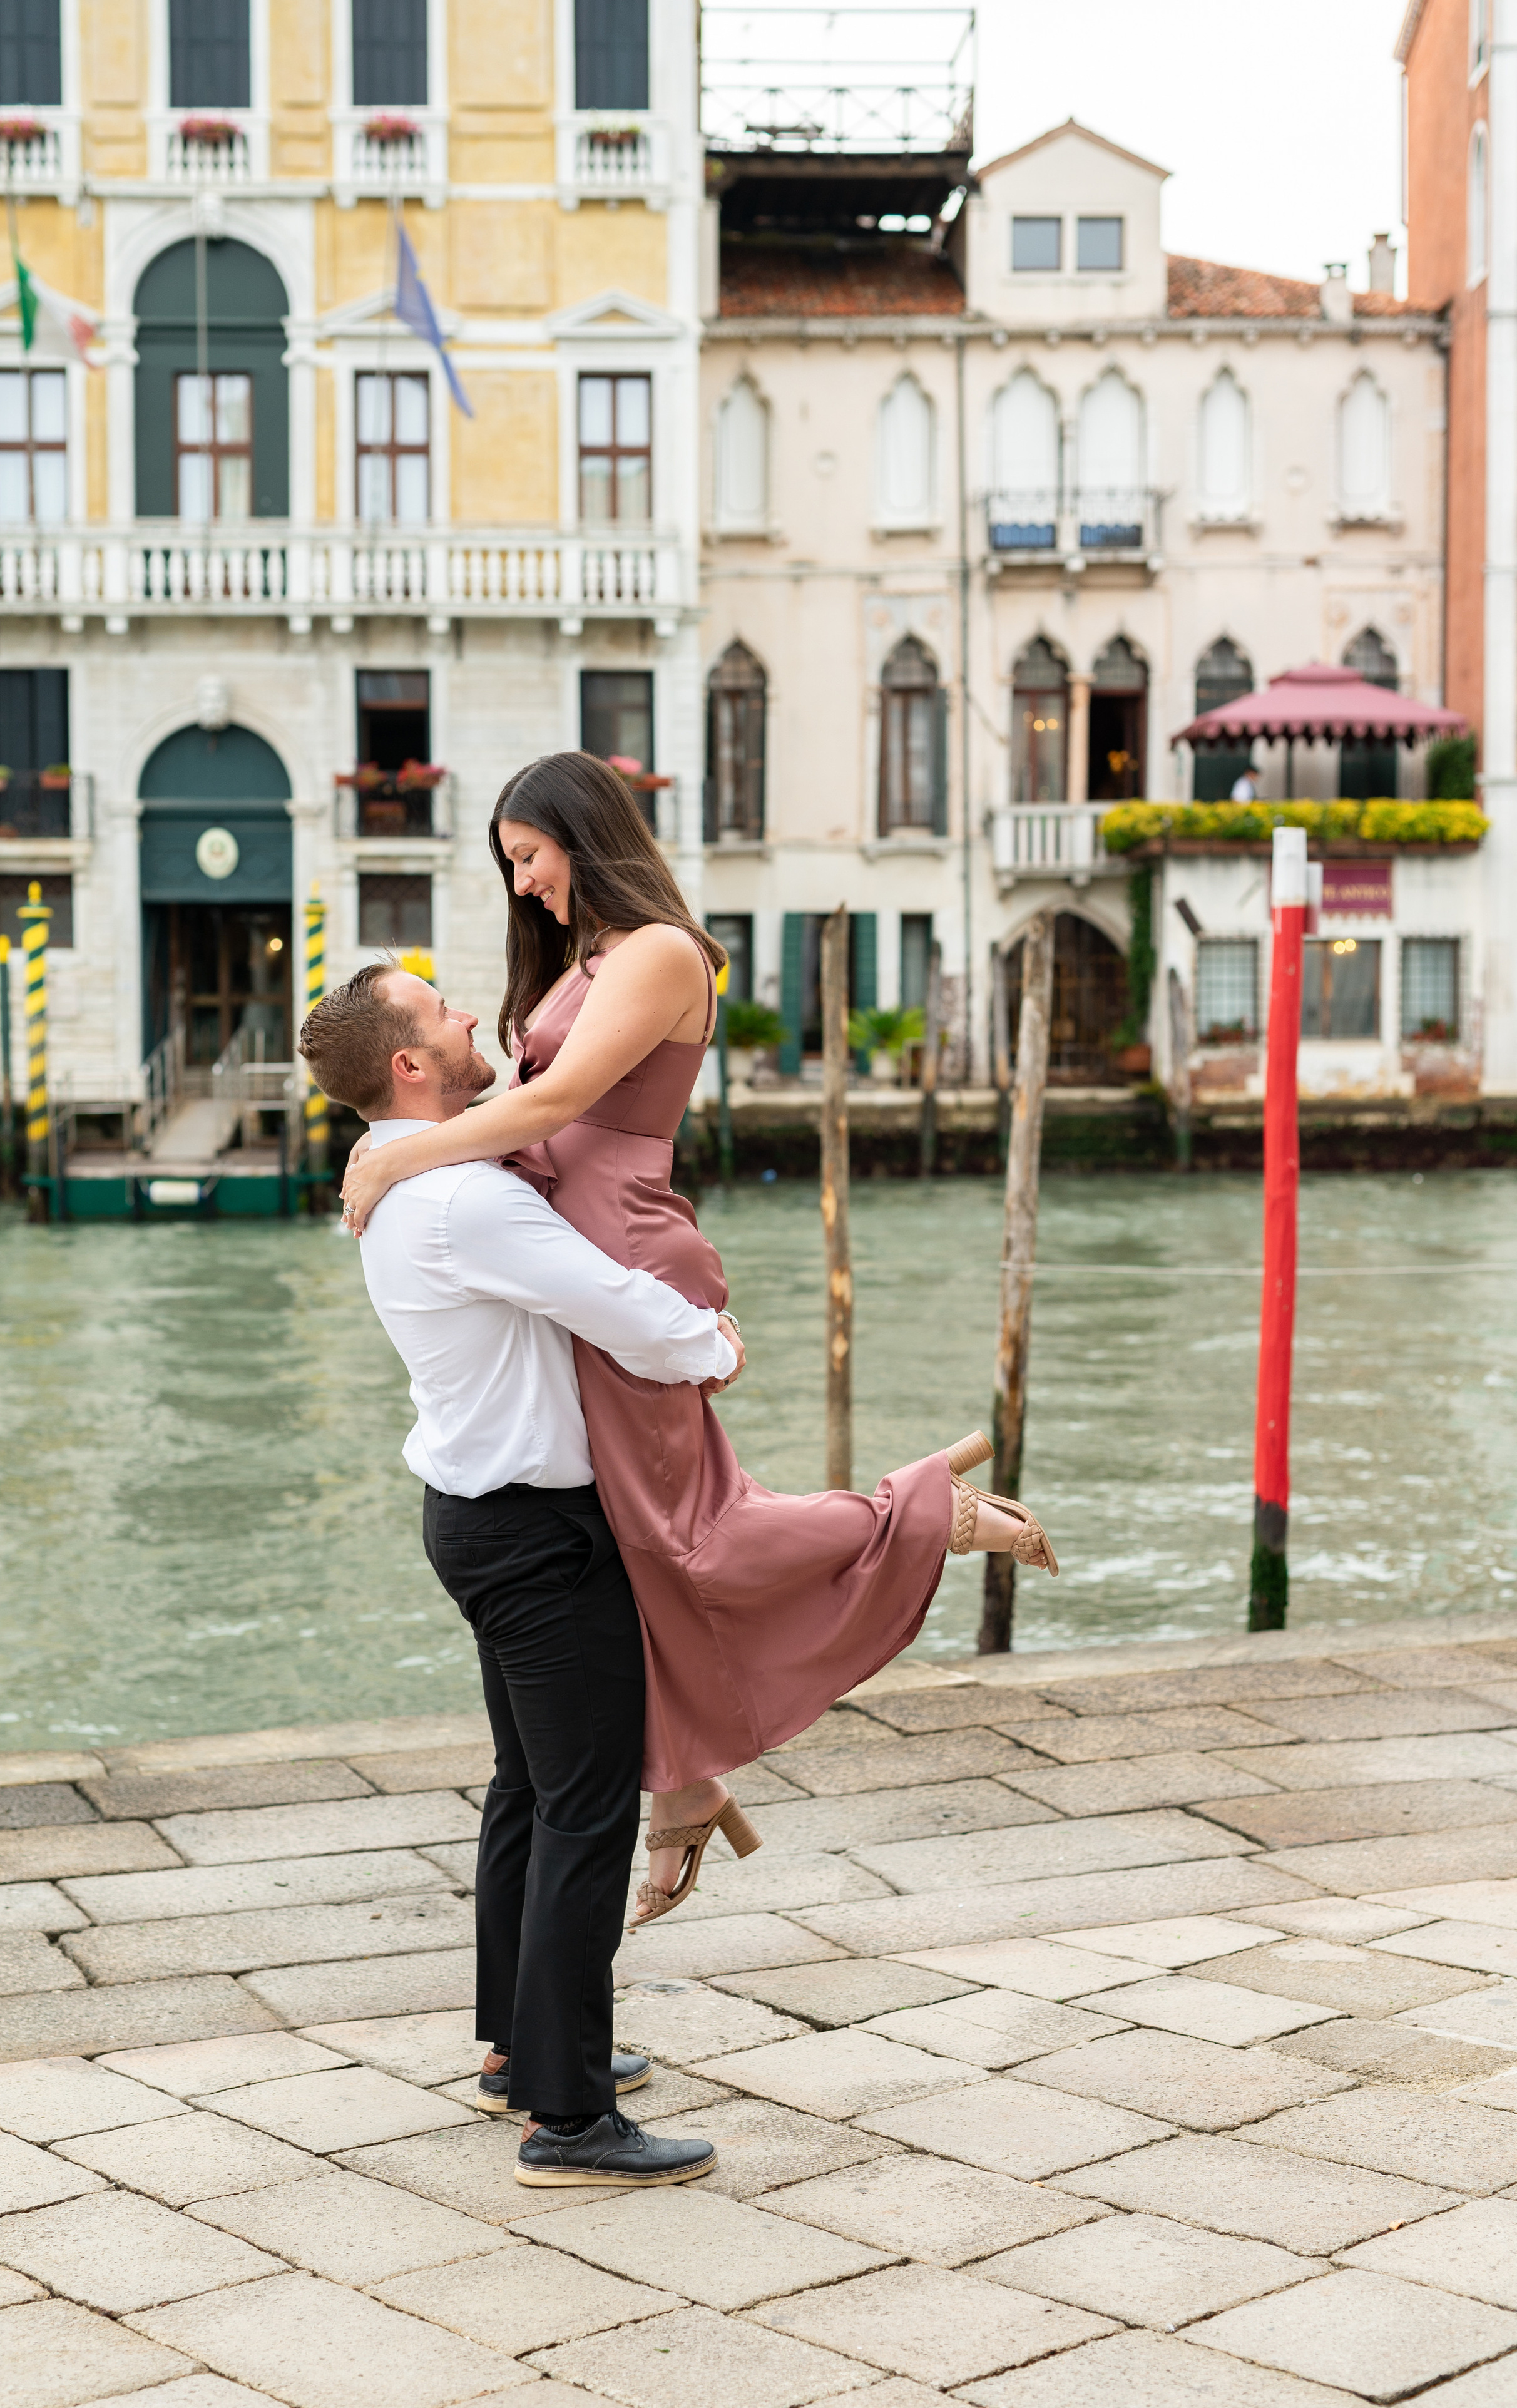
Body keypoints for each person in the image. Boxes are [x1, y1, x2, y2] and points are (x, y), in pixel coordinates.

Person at [339, 751, 1057, 1923]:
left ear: (583, 833)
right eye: (510, 864)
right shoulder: (588, 957)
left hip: (621, 1256)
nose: (522, 883)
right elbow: (523, 1112)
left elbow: (554, 1105)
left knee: (687, 1535)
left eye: (530, 855)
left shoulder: (664, 952)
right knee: (636, 1540)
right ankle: (682, 1784)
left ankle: (931, 1513)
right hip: (575, 1261)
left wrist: (395, 1154)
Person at [299, 960, 737, 2189]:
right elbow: (616, 1304)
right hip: (537, 1536)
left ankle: (519, 2051)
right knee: (585, 1809)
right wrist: (714, 1344)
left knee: (530, 1792)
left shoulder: (414, 1178)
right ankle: (570, 2116)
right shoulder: (460, 1200)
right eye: (441, 1011)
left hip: (478, 1520)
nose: (468, 1015)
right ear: (409, 1064)